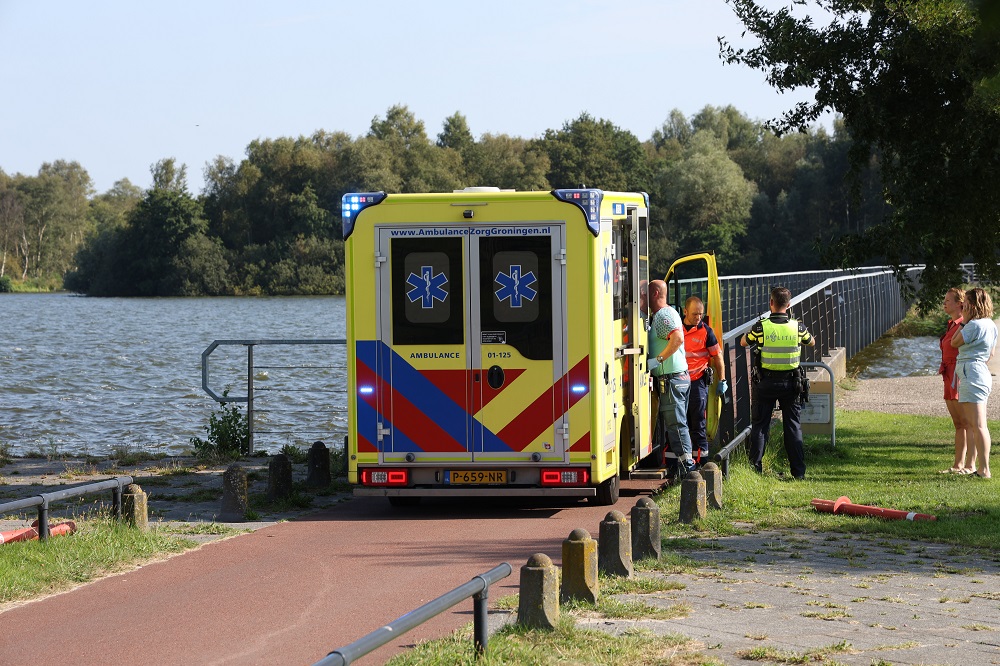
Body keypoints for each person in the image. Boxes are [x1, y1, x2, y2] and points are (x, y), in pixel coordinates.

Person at [740, 286, 815, 479]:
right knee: (792, 426)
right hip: (792, 384)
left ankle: (755, 470)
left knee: (760, 425)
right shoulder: (797, 326)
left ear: (771, 303)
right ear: (788, 305)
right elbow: (811, 342)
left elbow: (743, 342)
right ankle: (798, 472)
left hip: (765, 383)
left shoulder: (761, 326)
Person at [647, 279, 695, 476]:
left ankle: (689, 471)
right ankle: (680, 468)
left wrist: (657, 360)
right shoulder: (670, 312)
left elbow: (677, 338)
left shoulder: (662, 315)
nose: (642, 298)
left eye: (645, 294)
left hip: (671, 379)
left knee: (676, 425)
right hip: (677, 378)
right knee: (677, 425)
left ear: (655, 294)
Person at [950, 287, 997, 479]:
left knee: (978, 425)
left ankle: (984, 469)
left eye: (966, 304)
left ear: (973, 305)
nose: (963, 307)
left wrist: (964, 321)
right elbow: (991, 353)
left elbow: (954, 342)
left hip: (972, 373)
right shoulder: (991, 325)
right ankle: (977, 467)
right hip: (979, 372)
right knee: (975, 424)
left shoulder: (973, 325)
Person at [682, 295, 726, 464]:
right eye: (694, 314)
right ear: (685, 312)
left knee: (698, 423)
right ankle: (679, 465)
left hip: (698, 382)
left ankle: (702, 463)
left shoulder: (706, 331)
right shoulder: (676, 329)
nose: (698, 317)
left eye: (700, 314)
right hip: (679, 381)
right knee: (679, 423)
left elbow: (718, 356)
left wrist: (722, 380)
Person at [939, 287, 974, 474]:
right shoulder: (952, 323)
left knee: (967, 422)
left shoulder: (964, 324)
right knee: (958, 423)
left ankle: (970, 465)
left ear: (960, 304)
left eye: (948, 300)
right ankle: (958, 465)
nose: (944, 303)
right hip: (948, 373)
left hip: (958, 374)